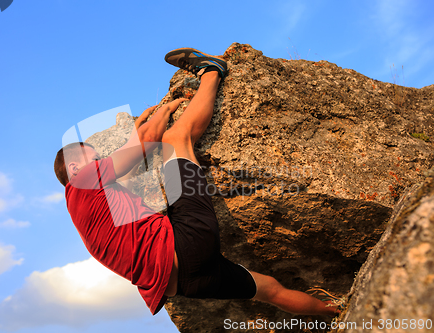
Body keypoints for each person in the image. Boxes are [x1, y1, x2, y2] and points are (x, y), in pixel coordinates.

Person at [54, 48, 340, 317]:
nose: (101, 160)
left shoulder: (84, 206)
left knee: (270, 290)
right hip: (185, 243)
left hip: (187, 285)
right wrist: (162, 114)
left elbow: (128, 171)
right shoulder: (82, 181)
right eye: (95, 158)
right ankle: (212, 71)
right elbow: (146, 144)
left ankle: (336, 312)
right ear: (75, 166)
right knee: (174, 139)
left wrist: (133, 136)